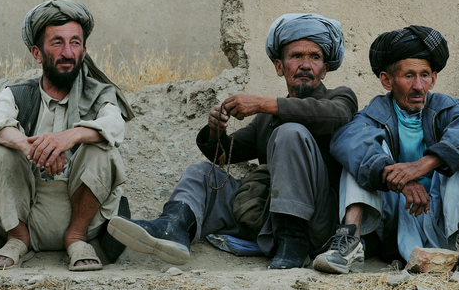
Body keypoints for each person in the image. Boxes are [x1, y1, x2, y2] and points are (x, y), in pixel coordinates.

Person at [107, 13, 358, 269]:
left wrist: (262, 103)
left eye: (315, 57)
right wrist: (216, 131)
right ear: (279, 67)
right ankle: (174, 227)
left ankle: (294, 242)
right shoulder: (266, 119)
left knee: (290, 132)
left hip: (317, 224)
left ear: (325, 69)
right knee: (202, 172)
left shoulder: (340, 98)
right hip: (268, 218)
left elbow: (334, 116)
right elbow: (224, 155)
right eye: (296, 56)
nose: (306, 64)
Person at [316, 27, 459, 275]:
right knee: (361, 157)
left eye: (425, 75)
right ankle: (349, 243)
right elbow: (347, 140)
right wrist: (400, 180)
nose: (418, 86)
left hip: (446, 218)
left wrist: (423, 165)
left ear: (434, 78)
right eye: (409, 76)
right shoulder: (374, 114)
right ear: (387, 80)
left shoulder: (446, 109)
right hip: (397, 218)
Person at [0, 0, 134, 271]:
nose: (68, 52)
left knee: (102, 146)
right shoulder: (17, 94)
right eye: (57, 43)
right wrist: (27, 146)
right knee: (1, 148)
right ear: (37, 53)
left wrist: (69, 137)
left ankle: (77, 238)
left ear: (84, 51)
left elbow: (115, 125)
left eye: (75, 43)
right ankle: (17, 238)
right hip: (25, 214)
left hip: (82, 217)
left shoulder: (99, 95)